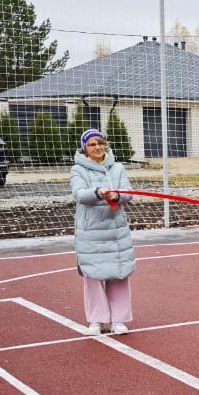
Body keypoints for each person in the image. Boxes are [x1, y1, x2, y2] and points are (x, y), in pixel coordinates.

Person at [70, 129, 136, 335]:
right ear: (85, 149)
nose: (97, 147)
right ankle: (97, 321)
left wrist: (117, 196)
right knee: (93, 276)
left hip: (116, 230)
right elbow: (79, 194)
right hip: (91, 232)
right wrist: (98, 192)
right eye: (92, 144)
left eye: (100, 143)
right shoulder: (78, 170)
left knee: (119, 274)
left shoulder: (117, 168)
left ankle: (119, 320)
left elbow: (128, 193)